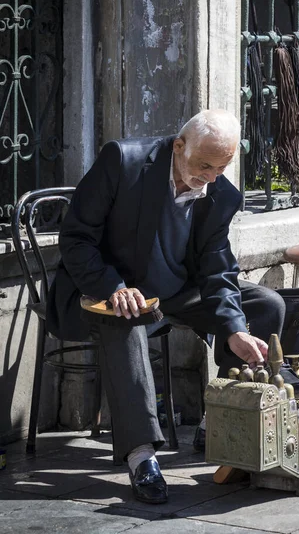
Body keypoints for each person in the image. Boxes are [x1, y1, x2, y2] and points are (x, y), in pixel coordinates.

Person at [47, 109, 286, 504]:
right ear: (179, 146)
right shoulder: (123, 162)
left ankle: (222, 420)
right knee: (123, 318)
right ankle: (141, 457)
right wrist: (114, 287)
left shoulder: (221, 193)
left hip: (173, 292)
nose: (209, 176)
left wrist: (235, 328)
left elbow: (217, 267)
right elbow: (75, 239)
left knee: (263, 305)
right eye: (203, 165)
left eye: (220, 167)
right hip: (99, 290)